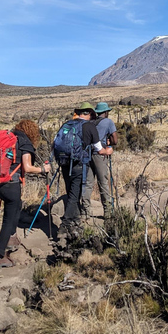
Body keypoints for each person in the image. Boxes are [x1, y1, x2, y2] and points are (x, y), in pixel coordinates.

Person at [0, 120, 50, 268]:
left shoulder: (10, 137)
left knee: (17, 206)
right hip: (11, 184)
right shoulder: (25, 143)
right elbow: (28, 167)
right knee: (8, 219)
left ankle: (11, 239)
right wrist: (43, 169)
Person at [57, 102, 112, 238]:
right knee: (74, 195)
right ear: (88, 113)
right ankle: (65, 226)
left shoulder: (67, 125)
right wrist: (108, 151)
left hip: (64, 163)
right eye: (92, 114)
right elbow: (99, 149)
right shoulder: (89, 126)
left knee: (71, 192)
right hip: (78, 164)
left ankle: (76, 222)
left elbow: (55, 144)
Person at [82, 102, 118, 219]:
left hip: (87, 154)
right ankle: (108, 211)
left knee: (88, 183)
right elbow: (115, 140)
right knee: (103, 182)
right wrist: (109, 144)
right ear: (106, 112)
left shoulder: (90, 122)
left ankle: (85, 211)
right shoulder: (108, 122)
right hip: (100, 154)